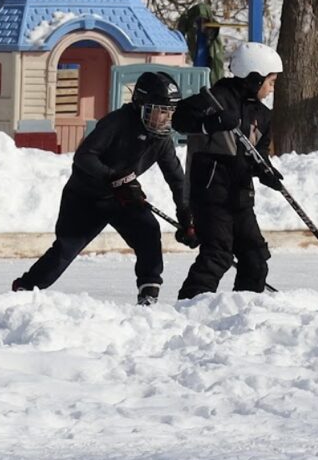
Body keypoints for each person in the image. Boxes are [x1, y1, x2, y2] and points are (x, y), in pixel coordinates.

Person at [11, 70, 187, 306]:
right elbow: (84, 156)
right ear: (142, 105)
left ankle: (149, 292)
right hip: (85, 198)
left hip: (121, 198)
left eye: (170, 111)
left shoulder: (161, 139)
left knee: (148, 232)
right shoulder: (117, 122)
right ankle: (24, 288)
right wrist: (113, 177)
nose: (166, 118)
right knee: (65, 249)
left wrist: (187, 217)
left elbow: (177, 179)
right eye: (161, 111)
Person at [172, 42, 285, 300]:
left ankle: (243, 306)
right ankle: (190, 305)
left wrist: (266, 171)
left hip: (240, 196)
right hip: (211, 195)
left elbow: (259, 153)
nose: (272, 88)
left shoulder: (263, 115)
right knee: (218, 253)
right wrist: (209, 123)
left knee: (255, 257)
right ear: (254, 78)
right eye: (270, 82)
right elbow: (180, 119)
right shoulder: (217, 99)